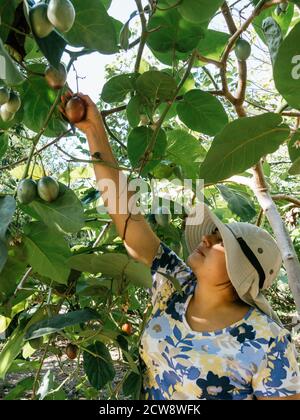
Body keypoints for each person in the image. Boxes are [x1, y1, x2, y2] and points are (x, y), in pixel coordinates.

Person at [60, 93, 300, 400]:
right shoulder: (173, 285)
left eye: (220, 241)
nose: (205, 238)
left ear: (242, 269)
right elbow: (127, 219)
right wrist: (95, 131)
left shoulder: (268, 340)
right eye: (212, 233)